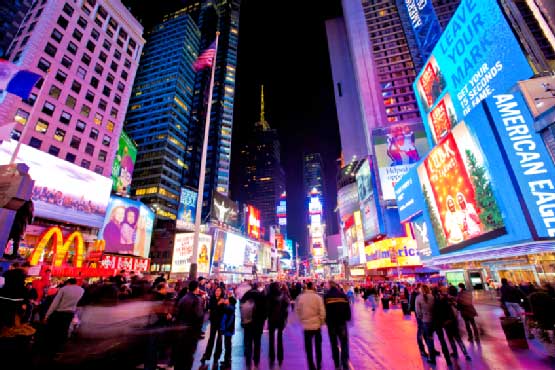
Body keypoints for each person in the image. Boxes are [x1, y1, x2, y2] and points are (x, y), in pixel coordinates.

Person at [44, 278, 84, 354]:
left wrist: (47, 315)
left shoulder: (64, 289)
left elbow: (55, 303)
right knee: (64, 330)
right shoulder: (81, 290)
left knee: (55, 331)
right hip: (70, 313)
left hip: (59, 313)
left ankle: (51, 349)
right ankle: (61, 350)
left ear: (68, 283)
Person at [173, 280, 204, 370]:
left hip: (181, 330)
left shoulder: (184, 298)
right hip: (191, 331)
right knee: (188, 355)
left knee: (181, 355)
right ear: (196, 288)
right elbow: (199, 316)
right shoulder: (195, 300)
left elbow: (178, 313)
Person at [296, 281, 326, 370]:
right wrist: (321, 322)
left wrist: (302, 320)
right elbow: (322, 311)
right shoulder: (317, 297)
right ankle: (319, 363)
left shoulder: (301, 298)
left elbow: (298, 310)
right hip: (317, 325)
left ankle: (311, 365)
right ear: (313, 287)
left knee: (308, 348)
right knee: (318, 346)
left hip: (306, 326)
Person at [324, 281, 351, 370]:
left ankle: (337, 364)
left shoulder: (327, 296)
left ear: (329, 286)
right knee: (344, 343)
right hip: (341, 323)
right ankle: (345, 362)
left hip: (331, 324)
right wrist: (346, 318)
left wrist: (326, 321)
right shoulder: (343, 296)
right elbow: (348, 310)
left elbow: (325, 311)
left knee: (334, 344)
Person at [416, 285, 445, 365]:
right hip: (434, 320)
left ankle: (431, 358)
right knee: (435, 337)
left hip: (425, 321)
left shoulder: (418, 298)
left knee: (429, 339)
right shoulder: (432, 297)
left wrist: (421, 318)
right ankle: (445, 357)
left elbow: (418, 312)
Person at [240, 282, 266, 370]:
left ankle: (248, 361)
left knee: (248, 342)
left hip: (248, 323)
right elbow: (265, 311)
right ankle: (256, 360)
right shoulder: (261, 296)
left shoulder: (247, 295)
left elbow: (241, 306)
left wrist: (242, 321)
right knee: (257, 342)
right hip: (258, 324)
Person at [201, 287, 227, 368]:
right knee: (211, 339)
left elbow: (225, 311)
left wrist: (225, 304)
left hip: (221, 322)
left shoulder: (224, 300)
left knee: (219, 340)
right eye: (216, 290)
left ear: (221, 292)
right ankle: (206, 355)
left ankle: (216, 357)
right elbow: (209, 309)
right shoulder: (212, 299)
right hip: (213, 321)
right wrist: (217, 304)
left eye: (219, 291)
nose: (217, 292)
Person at [267, 282, 289, 368]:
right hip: (280, 319)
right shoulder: (283, 295)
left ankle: (271, 356)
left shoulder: (268, 296)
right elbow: (286, 307)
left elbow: (266, 308)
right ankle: (280, 356)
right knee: (280, 338)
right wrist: (285, 317)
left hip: (271, 319)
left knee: (271, 338)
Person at [446, 288, 471, 360]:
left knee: (451, 339)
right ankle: (466, 354)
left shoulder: (448, 301)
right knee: (458, 339)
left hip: (450, 323)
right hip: (456, 323)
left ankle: (455, 353)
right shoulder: (457, 301)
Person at [409, 283, 427, 357]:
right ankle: (421, 348)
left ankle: (429, 348)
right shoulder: (415, 295)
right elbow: (413, 305)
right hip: (420, 315)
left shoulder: (418, 294)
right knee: (421, 330)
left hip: (423, 315)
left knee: (425, 331)